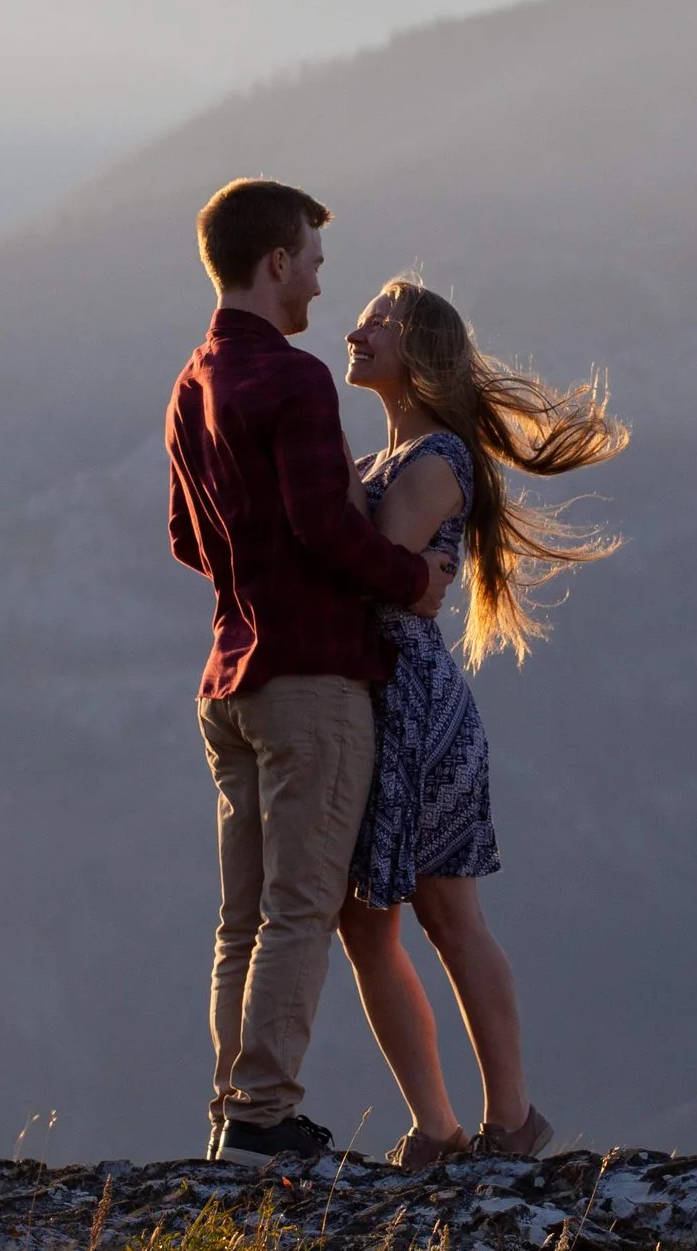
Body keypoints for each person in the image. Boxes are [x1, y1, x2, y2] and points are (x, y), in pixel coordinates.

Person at [165, 179, 456, 1168]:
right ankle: (262, 1118)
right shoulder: (292, 382)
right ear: (277, 261)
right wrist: (415, 576)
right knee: (300, 904)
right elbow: (325, 527)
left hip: (228, 678)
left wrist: (255, 572)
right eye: (316, 264)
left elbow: (183, 536)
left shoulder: (191, 379)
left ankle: (230, 1108)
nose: (321, 290)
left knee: (240, 915)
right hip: (312, 680)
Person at [334, 277, 628, 1171]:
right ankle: (444, 1127)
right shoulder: (404, 458)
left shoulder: (429, 466)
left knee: (446, 916)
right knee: (371, 921)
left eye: (378, 321)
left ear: (418, 351)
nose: (356, 330)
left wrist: (318, 465)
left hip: (414, 710)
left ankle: (504, 1122)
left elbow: (371, 566)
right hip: (388, 700)